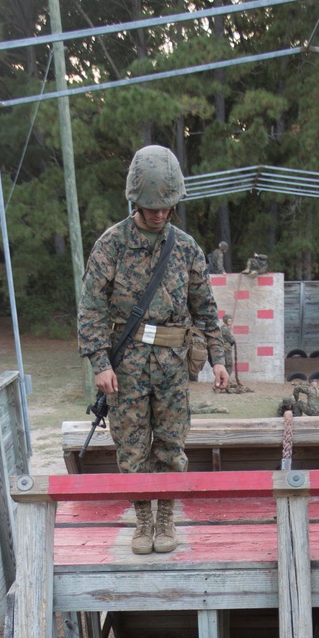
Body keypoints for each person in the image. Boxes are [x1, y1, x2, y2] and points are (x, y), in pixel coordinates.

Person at [78, 146, 228, 556]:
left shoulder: (186, 248)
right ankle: (142, 519)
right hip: (125, 367)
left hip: (172, 366)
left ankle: (166, 518)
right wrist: (99, 362)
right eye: (150, 207)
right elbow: (90, 307)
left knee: (170, 444)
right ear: (134, 201)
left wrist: (218, 359)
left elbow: (205, 308)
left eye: (165, 206)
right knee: (131, 446)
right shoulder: (111, 245)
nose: (159, 214)